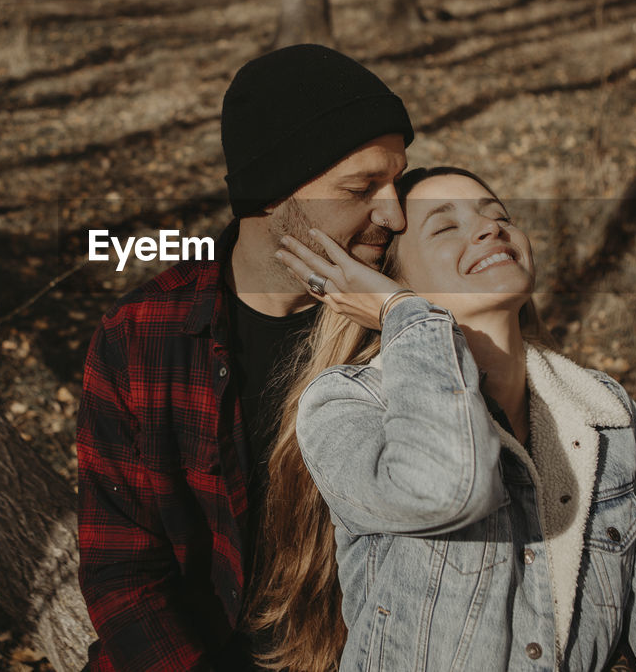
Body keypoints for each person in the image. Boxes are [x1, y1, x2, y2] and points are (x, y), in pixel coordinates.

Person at [254, 166, 636, 672]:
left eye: (498, 216)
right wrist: (408, 317)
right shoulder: (349, 405)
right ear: (390, 281)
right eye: (446, 228)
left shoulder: (602, 417)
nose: (490, 229)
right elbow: (446, 489)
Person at [76, 44, 415, 670]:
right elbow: (122, 570)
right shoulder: (142, 336)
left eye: (396, 181)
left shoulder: (401, 329)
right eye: (362, 187)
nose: (394, 215)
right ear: (269, 193)